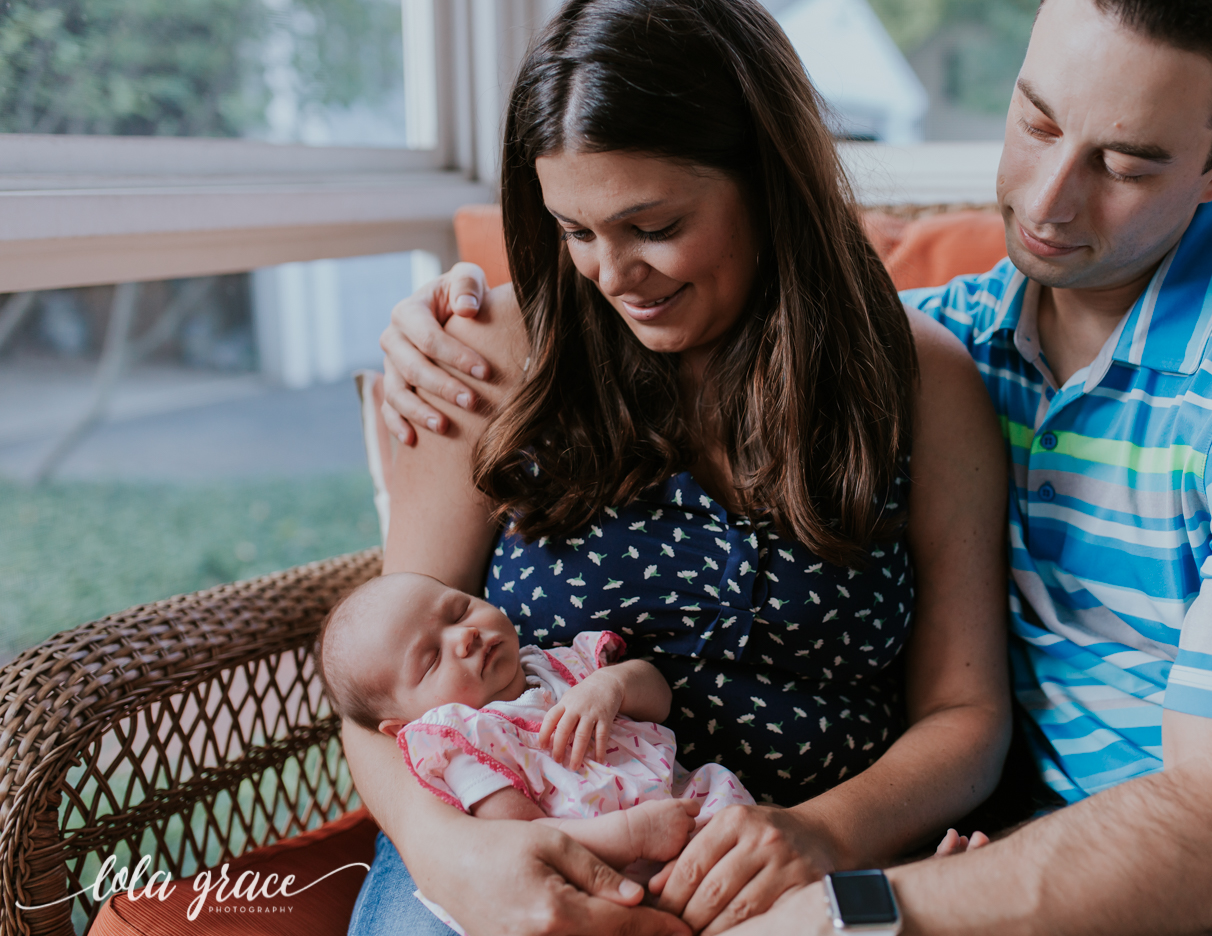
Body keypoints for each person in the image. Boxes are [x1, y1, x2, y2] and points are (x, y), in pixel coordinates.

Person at [386, 0, 1212, 932]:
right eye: (1033, 120)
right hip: (1028, 872)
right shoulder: (956, 341)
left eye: (1124, 163)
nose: (1049, 203)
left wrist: (840, 900)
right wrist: (437, 329)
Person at [343, 0, 1014, 934]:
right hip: (507, 848)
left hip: (791, 878)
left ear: (769, 183)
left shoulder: (919, 381)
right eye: (575, 231)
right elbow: (377, 688)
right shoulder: (485, 353)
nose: (612, 275)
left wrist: (820, 833)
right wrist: (453, 853)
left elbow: (967, 717)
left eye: (652, 226)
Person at [317, 573, 752, 933]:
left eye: (459, 610)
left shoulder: (558, 666)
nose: (464, 637)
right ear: (405, 728)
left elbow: (659, 700)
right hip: (601, 874)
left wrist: (612, 686)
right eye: (431, 659)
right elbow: (523, 835)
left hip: (693, 813)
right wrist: (630, 835)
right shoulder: (469, 744)